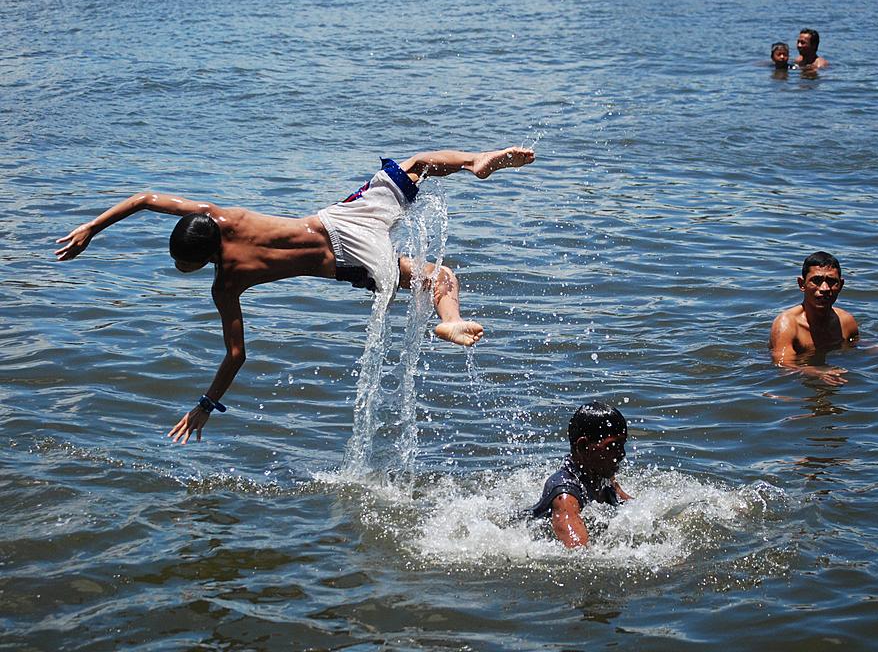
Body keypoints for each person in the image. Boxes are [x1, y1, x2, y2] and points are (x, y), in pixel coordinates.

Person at [56, 146, 535, 444]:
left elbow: (236, 355)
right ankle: (474, 163)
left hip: (344, 261)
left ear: (201, 259)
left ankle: (448, 320)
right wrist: (92, 228)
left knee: (431, 275)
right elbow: (144, 198)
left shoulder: (227, 283)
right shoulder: (221, 215)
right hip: (337, 220)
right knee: (415, 167)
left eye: (183, 262)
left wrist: (205, 405)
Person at [528, 402, 632, 548]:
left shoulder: (603, 475)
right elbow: (578, 551)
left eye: (622, 445)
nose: (622, 454)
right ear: (583, 447)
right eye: (612, 446)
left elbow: (631, 506)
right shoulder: (565, 497)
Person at [769, 251, 858, 385]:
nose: (824, 288)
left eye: (832, 281)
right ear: (801, 284)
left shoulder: (846, 321)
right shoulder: (787, 324)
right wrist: (817, 372)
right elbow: (782, 365)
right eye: (816, 281)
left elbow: (858, 346)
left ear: (841, 285)